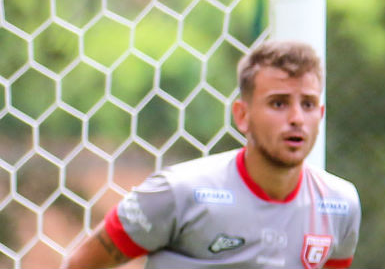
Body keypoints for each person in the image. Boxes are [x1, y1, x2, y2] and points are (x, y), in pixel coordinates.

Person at [64, 40, 360, 269]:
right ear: (242, 115)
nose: (296, 118)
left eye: (307, 104)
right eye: (279, 104)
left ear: (320, 115)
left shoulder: (339, 205)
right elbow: (82, 264)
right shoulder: (178, 193)